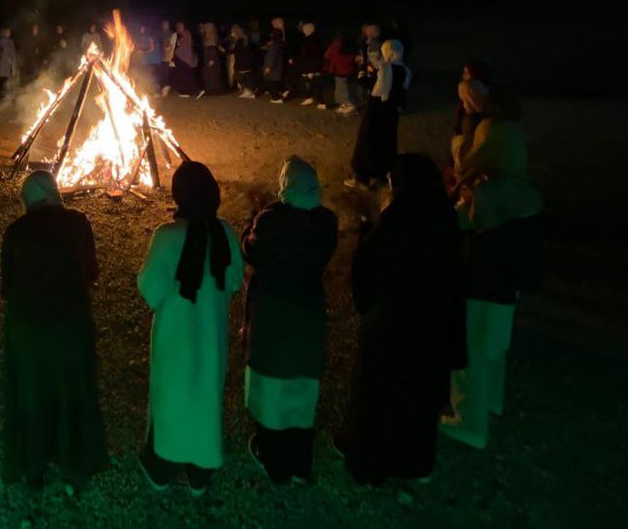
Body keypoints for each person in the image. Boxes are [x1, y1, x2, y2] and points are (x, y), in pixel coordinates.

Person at [338, 154, 467, 485]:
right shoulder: (444, 218)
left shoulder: (398, 221)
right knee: (417, 401)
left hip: (393, 330)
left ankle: (372, 462)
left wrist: (365, 231)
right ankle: (413, 462)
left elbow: (369, 269)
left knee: (381, 399)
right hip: (432, 330)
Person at [442, 90, 543, 450]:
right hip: (507, 286)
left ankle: (469, 421)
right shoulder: (521, 186)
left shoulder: (487, 192)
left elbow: (456, 224)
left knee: (470, 352)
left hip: (482, 282)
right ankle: (492, 404)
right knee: (494, 349)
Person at [137, 161, 244, 496]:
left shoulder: (168, 237)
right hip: (210, 338)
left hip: (175, 342)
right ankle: (200, 472)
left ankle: (163, 467)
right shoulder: (224, 232)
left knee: (172, 400)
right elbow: (235, 280)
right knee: (204, 399)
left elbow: (150, 290)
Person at [0, 172, 107, 493]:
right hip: (70, 323)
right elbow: (91, 272)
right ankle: (75, 465)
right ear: (55, 193)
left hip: (27, 328)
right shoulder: (77, 222)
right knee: (73, 389)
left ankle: (33, 469)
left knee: (32, 393)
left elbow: (7, 286)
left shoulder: (15, 231)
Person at [241, 157, 338, 485]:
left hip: (274, 316)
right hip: (308, 314)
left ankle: (273, 460)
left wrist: (252, 220)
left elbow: (251, 250)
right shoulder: (326, 221)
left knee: (272, 391)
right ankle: (300, 464)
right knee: (301, 390)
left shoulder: (271, 221)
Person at [345, 40, 410, 190]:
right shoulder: (404, 70)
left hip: (377, 112)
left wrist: (362, 76)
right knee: (386, 142)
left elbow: (376, 90)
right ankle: (381, 174)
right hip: (391, 113)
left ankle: (362, 177)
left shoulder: (387, 68)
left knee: (368, 141)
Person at [451, 62, 491, 173]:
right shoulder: (476, 86)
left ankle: (464, 170)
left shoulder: (468, 85)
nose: (464, 75)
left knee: (468, 146)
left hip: (470, 117)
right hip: (474, 117)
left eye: (466, 72)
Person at [322, 30, 358, 113]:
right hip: (349, 69)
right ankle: (346, 104)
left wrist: (327, 65)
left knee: (340, 88)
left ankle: (347, 105)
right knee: (347, 86)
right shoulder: (351, 44)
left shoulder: (336, 44)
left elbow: (327, 55)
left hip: (339, 69)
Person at [353, 24, 383, 109]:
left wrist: (369, 66)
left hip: (374, 70)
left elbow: (375, 59)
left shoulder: (375, 44)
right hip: (371, 69)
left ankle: (372, 104)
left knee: (372, 86)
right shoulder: (371, 42)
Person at [294, 23, 323, 106]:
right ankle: (309, 97)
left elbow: (310, 55)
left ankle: (321, 102)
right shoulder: (312, 39)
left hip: (311, 65)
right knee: (309, 82)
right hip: (311, 65)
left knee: (314, 82)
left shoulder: (310, 40)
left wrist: (311, 68)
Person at [169, 21, 199, 98]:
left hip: (184, 59)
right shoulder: (183, 34)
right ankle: (189, 91)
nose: (179, 28)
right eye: (178, 27)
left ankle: (187, 91)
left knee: (185, 75)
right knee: (185, 75)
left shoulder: (185, 34)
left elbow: (180, 45)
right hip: (184, 58)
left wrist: (175, 50)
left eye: (180, 27)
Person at [262, 18, 287, 104]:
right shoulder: (279, 40)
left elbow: (272, 54)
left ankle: (275, 97)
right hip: (277, 61)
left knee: (272, 80)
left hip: (274, 63)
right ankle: (277, 95)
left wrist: (268, 65)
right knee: (274, 79)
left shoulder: (276, 42)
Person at [230, 24, 257, 98]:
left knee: (239, 76)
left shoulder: (241, 41)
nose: (232, 34)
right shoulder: (244, 39)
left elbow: (239, 51)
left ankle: (248, 91)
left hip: (243, 62)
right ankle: (248, 91)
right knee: (244, 76)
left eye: (233, 32)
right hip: (246, 62)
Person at [200, 22, 222, 98]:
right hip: (208, 57)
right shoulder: (207, 37)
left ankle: (213, 90)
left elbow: (213, 48)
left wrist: (212, 59)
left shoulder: (212, 37)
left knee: (211, 75)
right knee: (208, 74)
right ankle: (209, 89)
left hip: (211, 57)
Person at [0, 28, 18, 96]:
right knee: (3, 78)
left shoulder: (11, 41)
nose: (9, 33)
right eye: (7, 32)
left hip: (9, 62)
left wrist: (12, 61)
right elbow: (0, 51)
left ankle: (8, 92)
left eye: (9, 32)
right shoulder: (0, 41)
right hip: (3, 62)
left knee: (9, 77)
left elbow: (13, 52)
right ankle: (2, 92)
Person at [159, 20, 176, 94]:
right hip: (163, 56)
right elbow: (161, 44)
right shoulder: (161, 33)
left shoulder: (170, 33)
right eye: (165, 25)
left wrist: (167, 47)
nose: (166, 26)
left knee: (167, 72)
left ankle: (167, 87)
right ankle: (164, 87)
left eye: (167, 24)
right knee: (164, 73)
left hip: (169, 56)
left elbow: (171, 43)